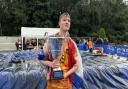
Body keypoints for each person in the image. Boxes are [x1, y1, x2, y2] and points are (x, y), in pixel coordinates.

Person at [39, 12, 82, 89]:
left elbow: (76, 65)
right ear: (59, 23)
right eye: (64, 20)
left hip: (66, 83)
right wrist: (50, 64)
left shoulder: (72, 43)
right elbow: (40, 58)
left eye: (69, 21)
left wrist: (65, 75)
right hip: (52, 83)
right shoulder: (51, 40)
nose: (67, 22)